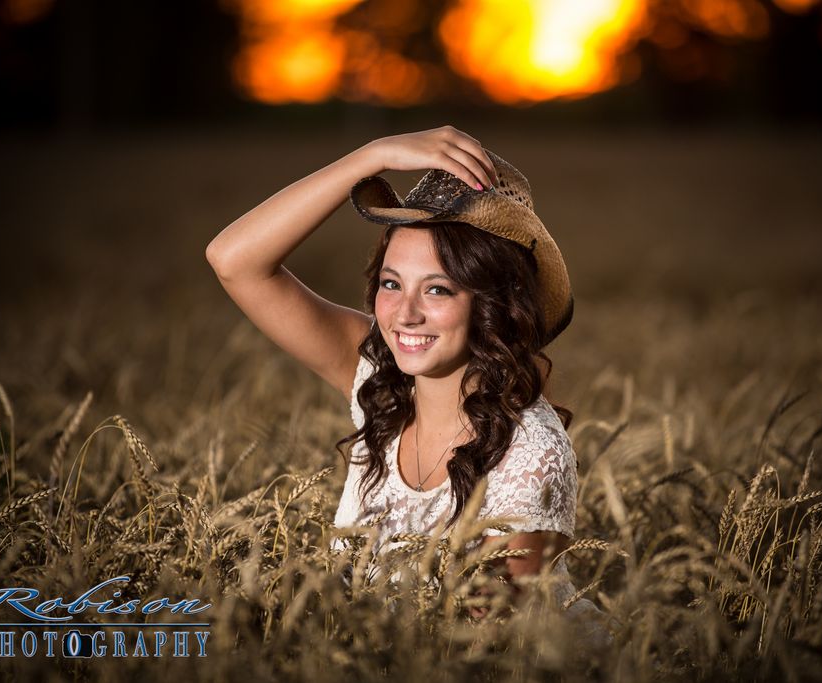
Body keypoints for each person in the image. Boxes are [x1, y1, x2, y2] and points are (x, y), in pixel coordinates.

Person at [206, 126, 609, 644]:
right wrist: (371, 157)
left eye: (438, 289)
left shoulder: (530, 454)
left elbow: (477, 646)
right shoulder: (381, 377)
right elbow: (233, 260)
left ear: (493, 307)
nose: (405, 316)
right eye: (392, 284)